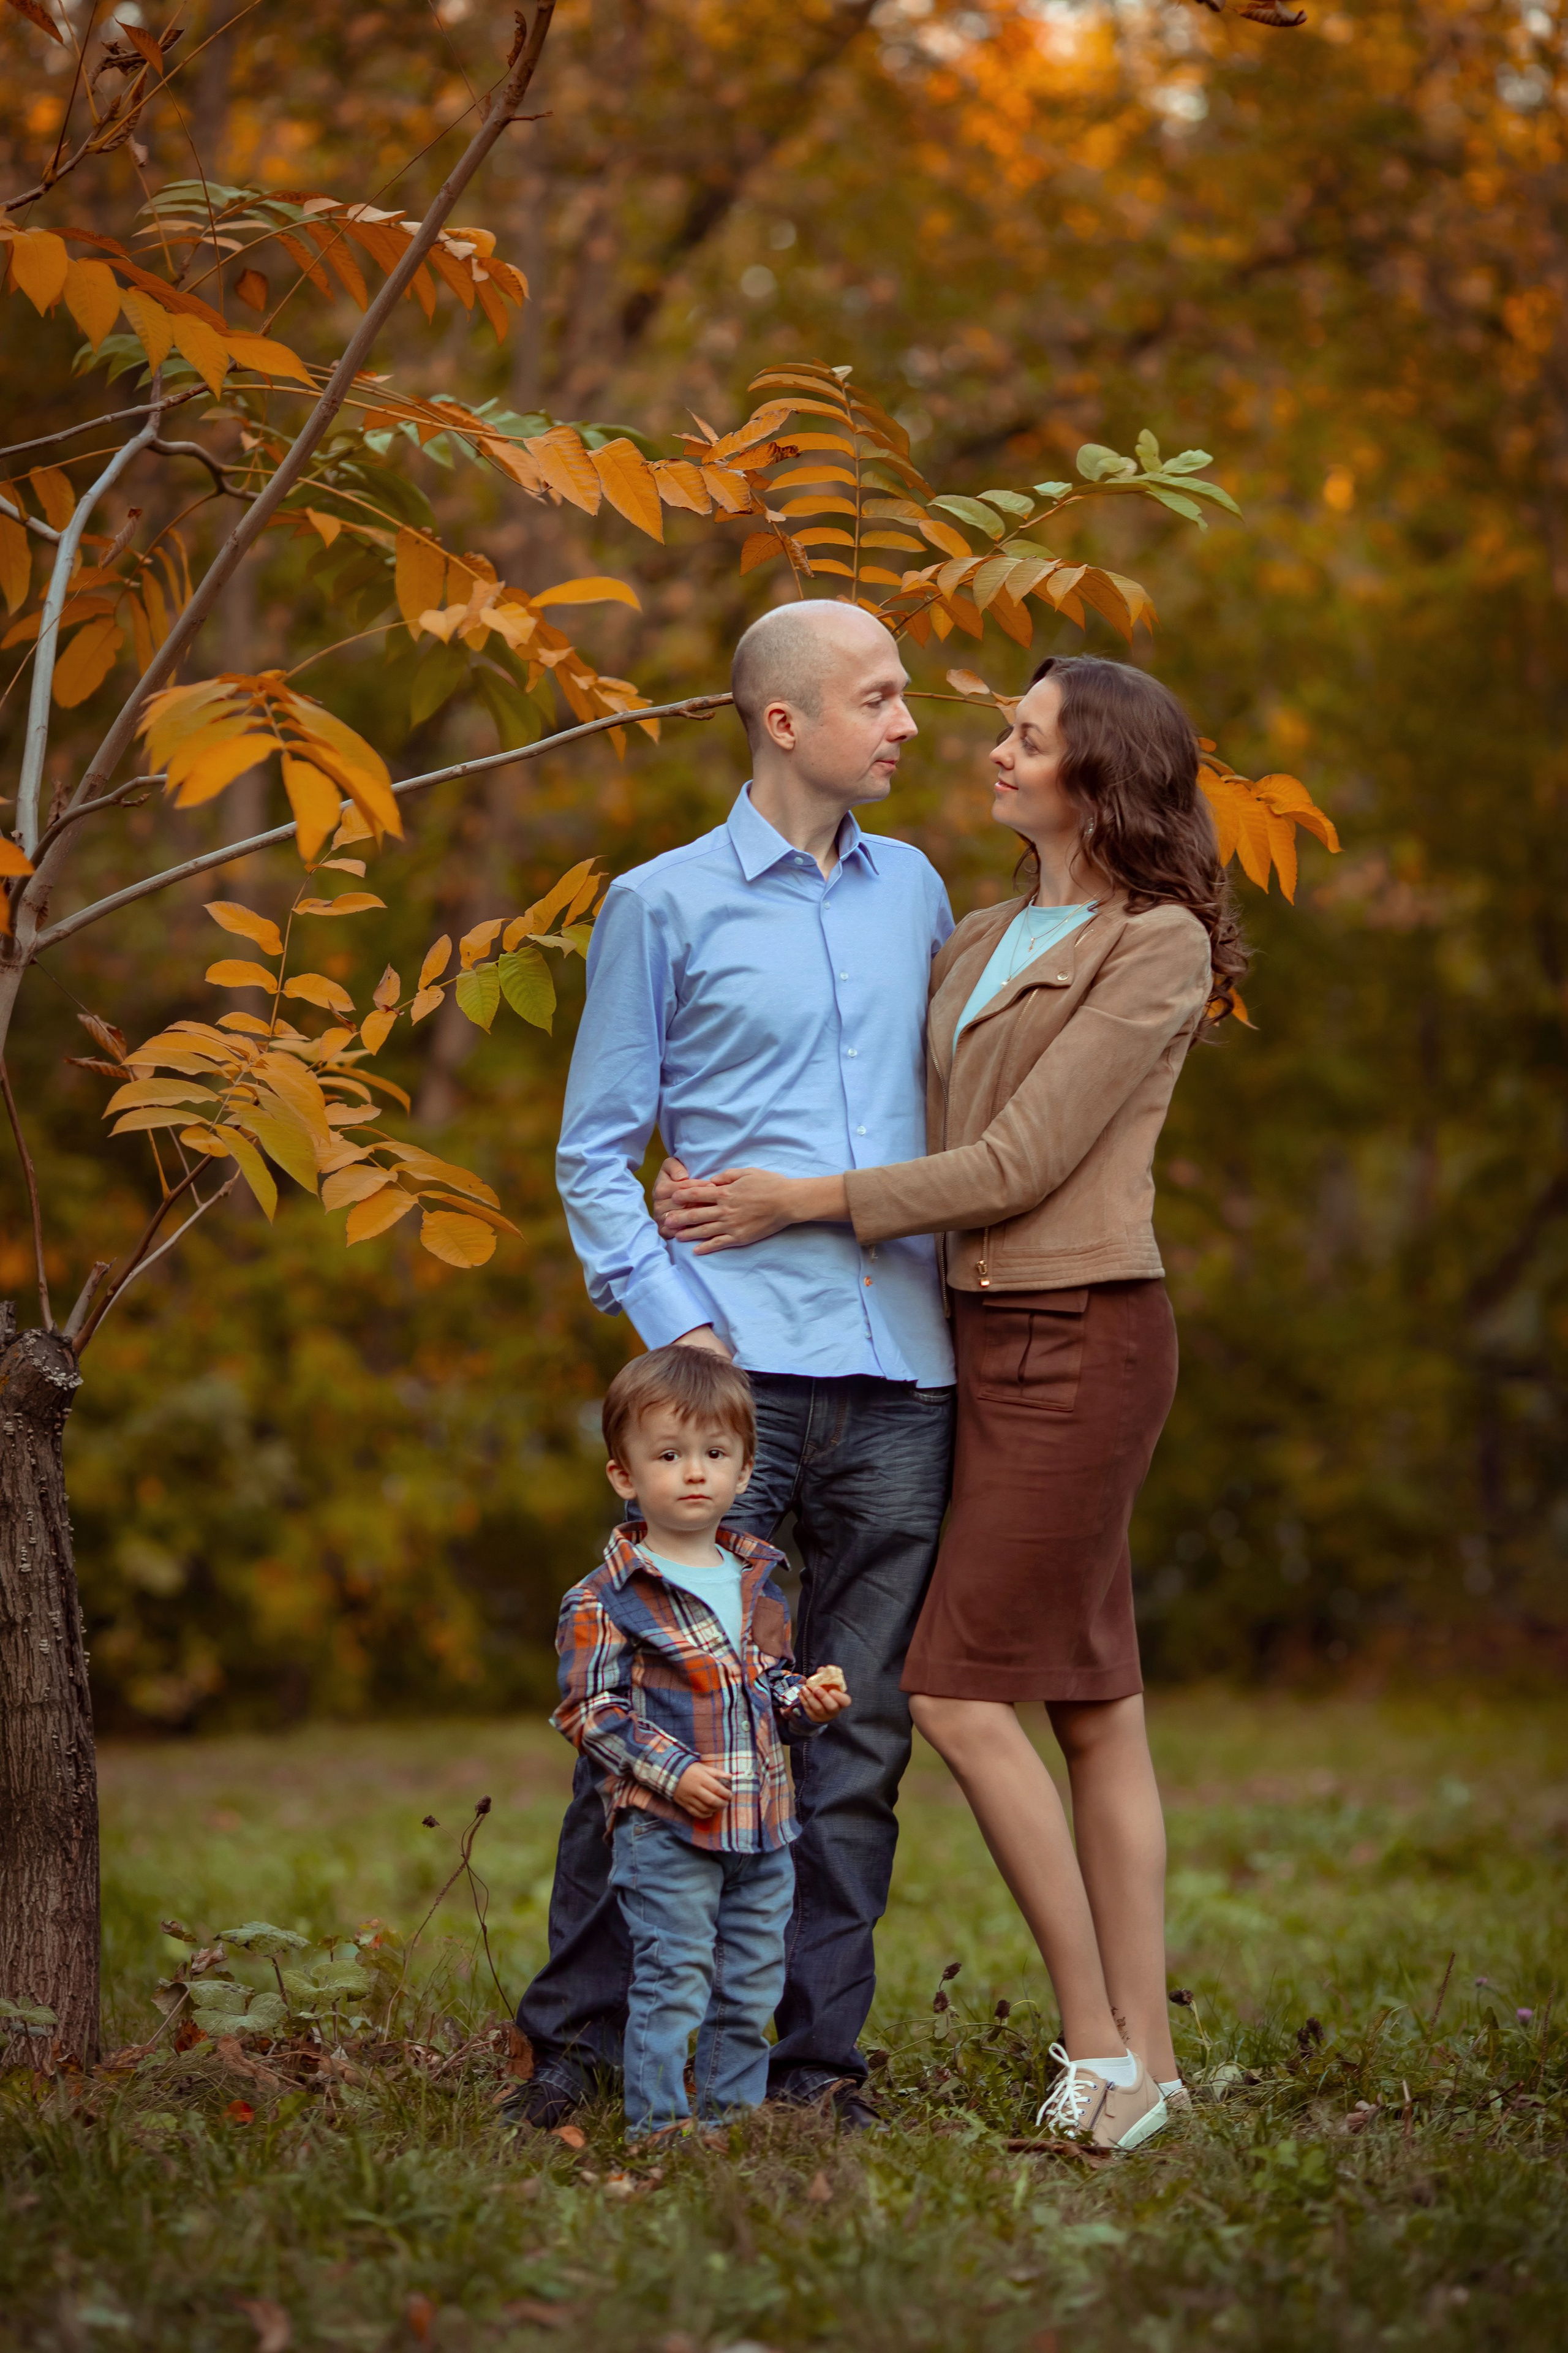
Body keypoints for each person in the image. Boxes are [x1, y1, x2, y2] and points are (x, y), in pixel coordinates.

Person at [664, 653, 1245, 2150]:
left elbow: (1014, 1166)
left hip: (1083, 1333)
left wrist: (788, 1205)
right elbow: (862, 1078)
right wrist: (709, 1172)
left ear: (1097, 778)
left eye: (1026, 738)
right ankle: (1156, 2067)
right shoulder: (976, 924)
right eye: (1004, 729)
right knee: (1093, 1701)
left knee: (960, 1691)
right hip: (975, 1336)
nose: (991, 752)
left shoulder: (1156, 944)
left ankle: (1099, 2048)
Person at [511, 599, 957, 2131]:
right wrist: (681, 1332)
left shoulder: (918, 890)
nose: (906, 723)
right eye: (878, 696)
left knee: (853, 1736)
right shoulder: (659, 903)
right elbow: (591, 1158)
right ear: (785, 721)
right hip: (732, 1403)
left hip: (903, 1379)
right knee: (659, 1737)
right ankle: (574, 2051)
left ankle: (812, 2069)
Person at [551, 1345, 851, 2142]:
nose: (695, 1472)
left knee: (751, 1982)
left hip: (764, 1826)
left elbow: (770, 1689)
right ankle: (659, 2125)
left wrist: (805, 1700)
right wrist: (676, 1775)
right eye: (670, 1454)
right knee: (674, 1977)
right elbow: (588, 1710)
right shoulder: (604, 1597)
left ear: (745, 1470)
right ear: (625, 1476)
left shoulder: (758, 1580)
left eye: (715, 1454)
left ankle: (730, 2116)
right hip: (669, 1828)